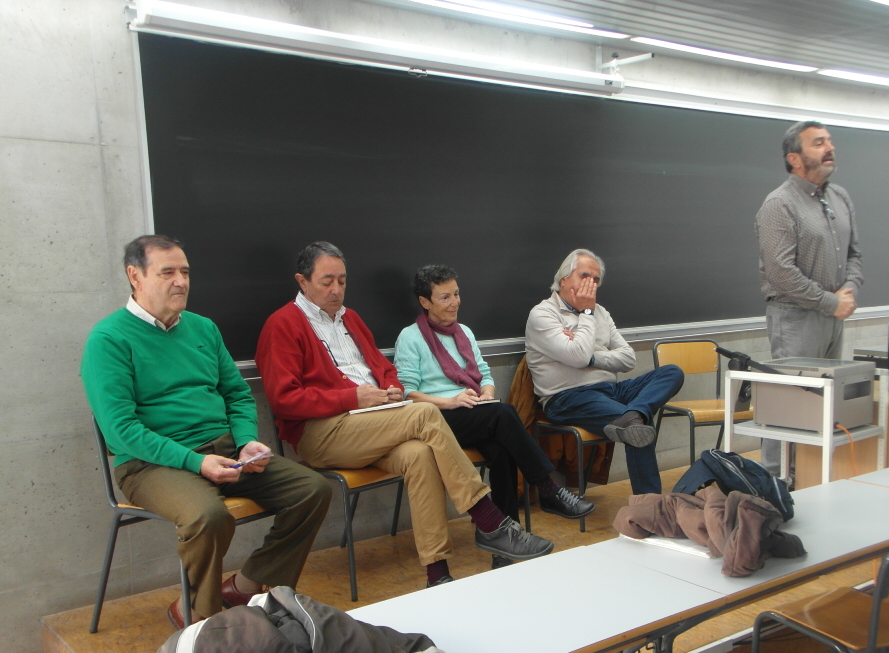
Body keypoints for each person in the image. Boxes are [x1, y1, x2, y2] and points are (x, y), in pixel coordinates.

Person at [256, 242, 553, 587]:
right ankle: (489, 520)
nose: (336, 289)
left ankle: (437, 573)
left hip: (372, 423)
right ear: (302, 281)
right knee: (424, 414)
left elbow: (384, 370)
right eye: (327, 282)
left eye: (342, 281)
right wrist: (352, 397)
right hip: (322, 432)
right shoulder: (282, 325)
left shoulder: (350, 319)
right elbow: (284, 400)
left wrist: (391, 388)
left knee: (420, 454)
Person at [81, 235, 333, 629]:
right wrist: (195, 462)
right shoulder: (108, 340)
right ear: (135, 276)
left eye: (185, 272)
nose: (181, 281)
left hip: (225, 451)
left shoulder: (203, 328)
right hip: (151, 465)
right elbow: (121, 430)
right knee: (208, 516)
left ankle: (249, 586)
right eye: (167, 272)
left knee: (313, 489)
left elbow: (237, 394)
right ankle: (200, 613)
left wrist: (247, 441)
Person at [394, 264, 596, 528]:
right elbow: (407, 394)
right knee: (504, 414)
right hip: (436, 418)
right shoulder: (410, 337)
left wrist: (487, 394)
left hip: (473, 412)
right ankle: (548, 489)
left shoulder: (464, 332)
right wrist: (450, 401)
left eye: (456, 294)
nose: (455, 302)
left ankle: (506, 531)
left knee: (502, 447)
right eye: (445, 297)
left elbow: (485, 375)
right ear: (425, 302)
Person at [756, 120, 865, 479]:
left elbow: (854, 254)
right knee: (789, 403)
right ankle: (776, 482)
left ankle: (812, 477)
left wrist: (849, 290)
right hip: (795, 318)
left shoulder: (840, 197)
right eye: (818, 143)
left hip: (833, 316)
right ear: (794, 158)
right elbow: (780, 272)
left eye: (829, 141)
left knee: (824, 405)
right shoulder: (780, 203)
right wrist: (832, 302)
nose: (830, 147)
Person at [525, 249, 684, 495]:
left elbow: (628, 358)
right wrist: (586, 314)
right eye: (584, 276)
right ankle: (650, 504)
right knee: (637, 428)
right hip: (568, 397)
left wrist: (592, 357)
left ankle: (633, 412)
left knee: (671, 372)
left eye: (596, 279)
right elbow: (577, 357)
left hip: (610, 390)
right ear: (564, 278)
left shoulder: (601, 312)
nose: (591, 284)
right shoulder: (543, 314)